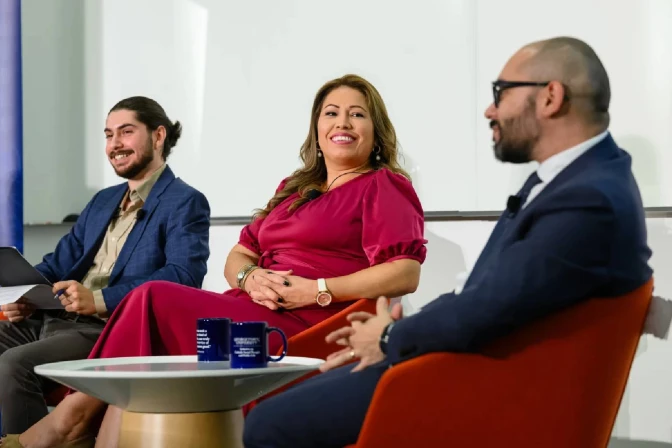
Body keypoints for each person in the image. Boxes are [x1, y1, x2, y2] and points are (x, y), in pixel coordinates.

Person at [242, 37, 654, 448]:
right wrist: (393, 331)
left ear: (550, 97)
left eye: (501, 92)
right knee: (283, 402)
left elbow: (489, 308)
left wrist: (389, 337)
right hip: (466, 362)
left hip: (482, 383)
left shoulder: (587, 198)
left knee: (268, 422)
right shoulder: (575, 180)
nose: (490, 110)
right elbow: (490, 294)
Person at [1, 74, 427, 448]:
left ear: (376, 131)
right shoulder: (295, 188)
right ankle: (90, 431)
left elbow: (405, 272)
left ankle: (70, 421)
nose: (343, 123)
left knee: (152, 297)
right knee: (149, 326)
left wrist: (316, 290)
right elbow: (239, 253)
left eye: (357, 114)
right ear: (317, 129)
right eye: (331, 113)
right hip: (250, 305)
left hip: (309, 321)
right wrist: (249, 275)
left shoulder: (383, 185)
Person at [0, 96, 210, 435]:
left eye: (126, 132)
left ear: (158, 136)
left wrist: (99, 300)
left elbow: (183, 276)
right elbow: (58, 262)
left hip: (108, 329)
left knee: (14, 364)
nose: (115, 144)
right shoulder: (103, 200)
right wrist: (23, 293)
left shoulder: (185, 201)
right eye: (109, 135)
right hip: (54, 318)